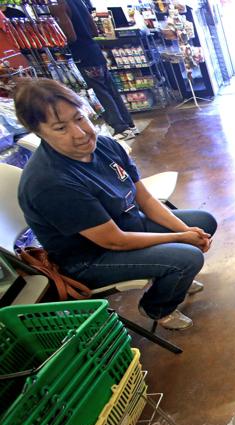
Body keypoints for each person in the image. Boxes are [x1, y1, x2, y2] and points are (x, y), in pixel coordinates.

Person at [15, 79, 217, 330]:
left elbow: (143, 198)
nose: (79, 133)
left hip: (127, 223)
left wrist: (185, 231)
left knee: (203, 223)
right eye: (60, 128)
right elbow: (114, 241)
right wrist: (180, 238)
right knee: (187, 257)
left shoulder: (105, 145)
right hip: (91, 258)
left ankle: (172, 276)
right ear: (39, 132)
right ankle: (157, 307)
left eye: (79, 118)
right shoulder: (51, 182)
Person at [52, 0, 139, 141]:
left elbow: (70, 36)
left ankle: (120, 128)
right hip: (94, 50)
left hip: (82, 54)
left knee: (100, 92)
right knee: (110, 90)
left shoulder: (58, 5)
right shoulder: (79, 2)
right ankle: (129, 125)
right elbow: (94, 31)